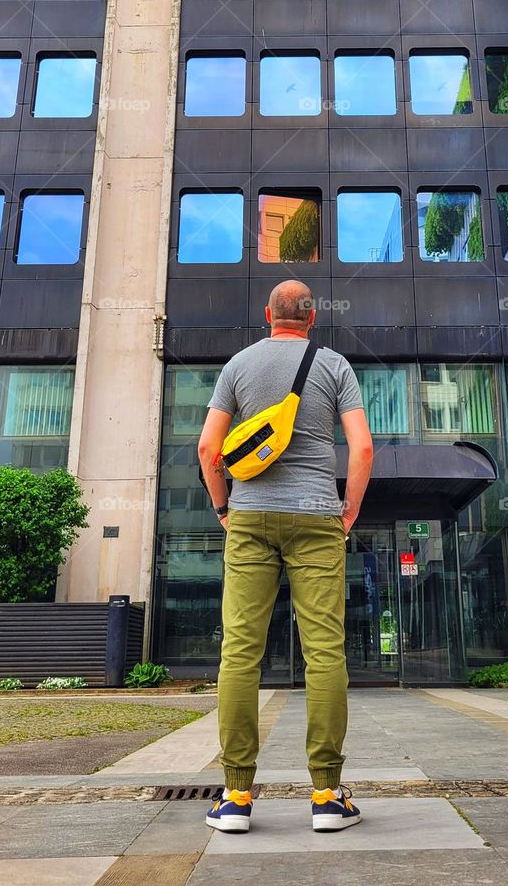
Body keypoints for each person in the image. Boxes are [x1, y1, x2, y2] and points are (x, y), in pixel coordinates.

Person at [198, 279, 374, 834]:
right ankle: (325, 794)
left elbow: (207, 448)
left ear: (267, 314)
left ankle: (235, 798)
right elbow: (363, 447)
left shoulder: (238, 365)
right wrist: (346, 513)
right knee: (324, 653)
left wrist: (225, 510)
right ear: (312, 317)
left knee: (240, 654)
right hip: (318, 517)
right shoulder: (335, 365)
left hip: (249, 519)